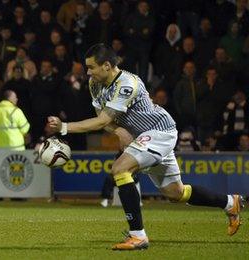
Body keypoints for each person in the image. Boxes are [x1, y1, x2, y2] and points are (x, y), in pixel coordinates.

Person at [47, 43, 243, 251]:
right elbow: (102, 116)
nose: (87, 72)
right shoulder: (95, 83)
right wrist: (119, 131)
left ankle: (137, 236)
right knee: (176, 193)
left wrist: (65, 127)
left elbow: (102, 121)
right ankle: (231, 203)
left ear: (106, 65)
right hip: (144, 137)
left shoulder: (127, 84)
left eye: (91, 67)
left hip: (159, 131)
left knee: (120, 169)